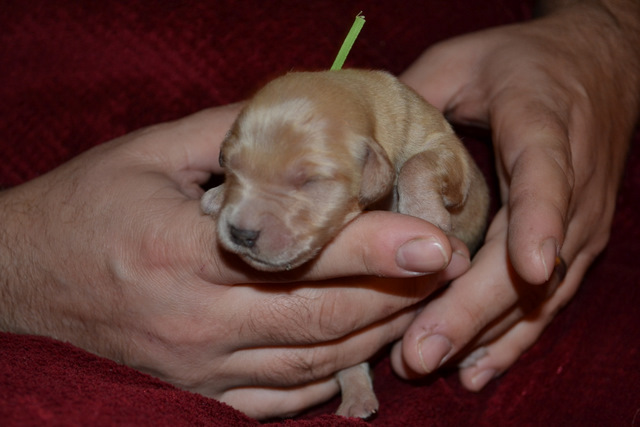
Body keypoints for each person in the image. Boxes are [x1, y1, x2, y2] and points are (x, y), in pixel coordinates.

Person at [0, 0, 638, 420]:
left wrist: (609, 27)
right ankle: (351, 377)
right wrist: (19, 257)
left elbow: (430, 164)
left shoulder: (393, 130)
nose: (244, 225)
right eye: (235, 167)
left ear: (372, 169)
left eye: (306, 182)